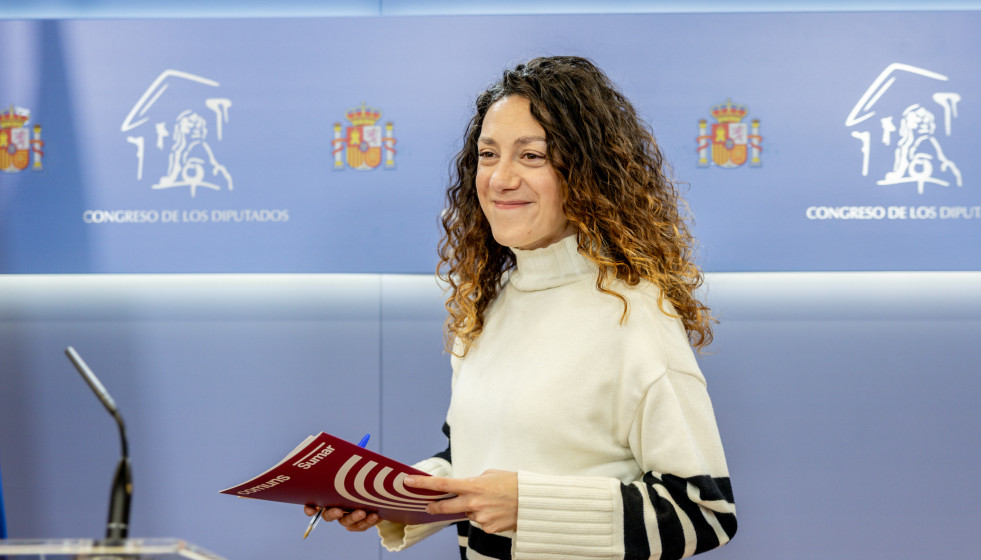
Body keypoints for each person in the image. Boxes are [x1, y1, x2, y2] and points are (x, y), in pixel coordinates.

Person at [305, 55, 737, 559]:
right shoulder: (487, 307)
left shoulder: (636, 315)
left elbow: (703, 513)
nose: (500, 178)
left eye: (531, 156)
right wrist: (393, 498)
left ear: (586, 173)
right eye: (488, 155)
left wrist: (530, 505)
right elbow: (472, 461)